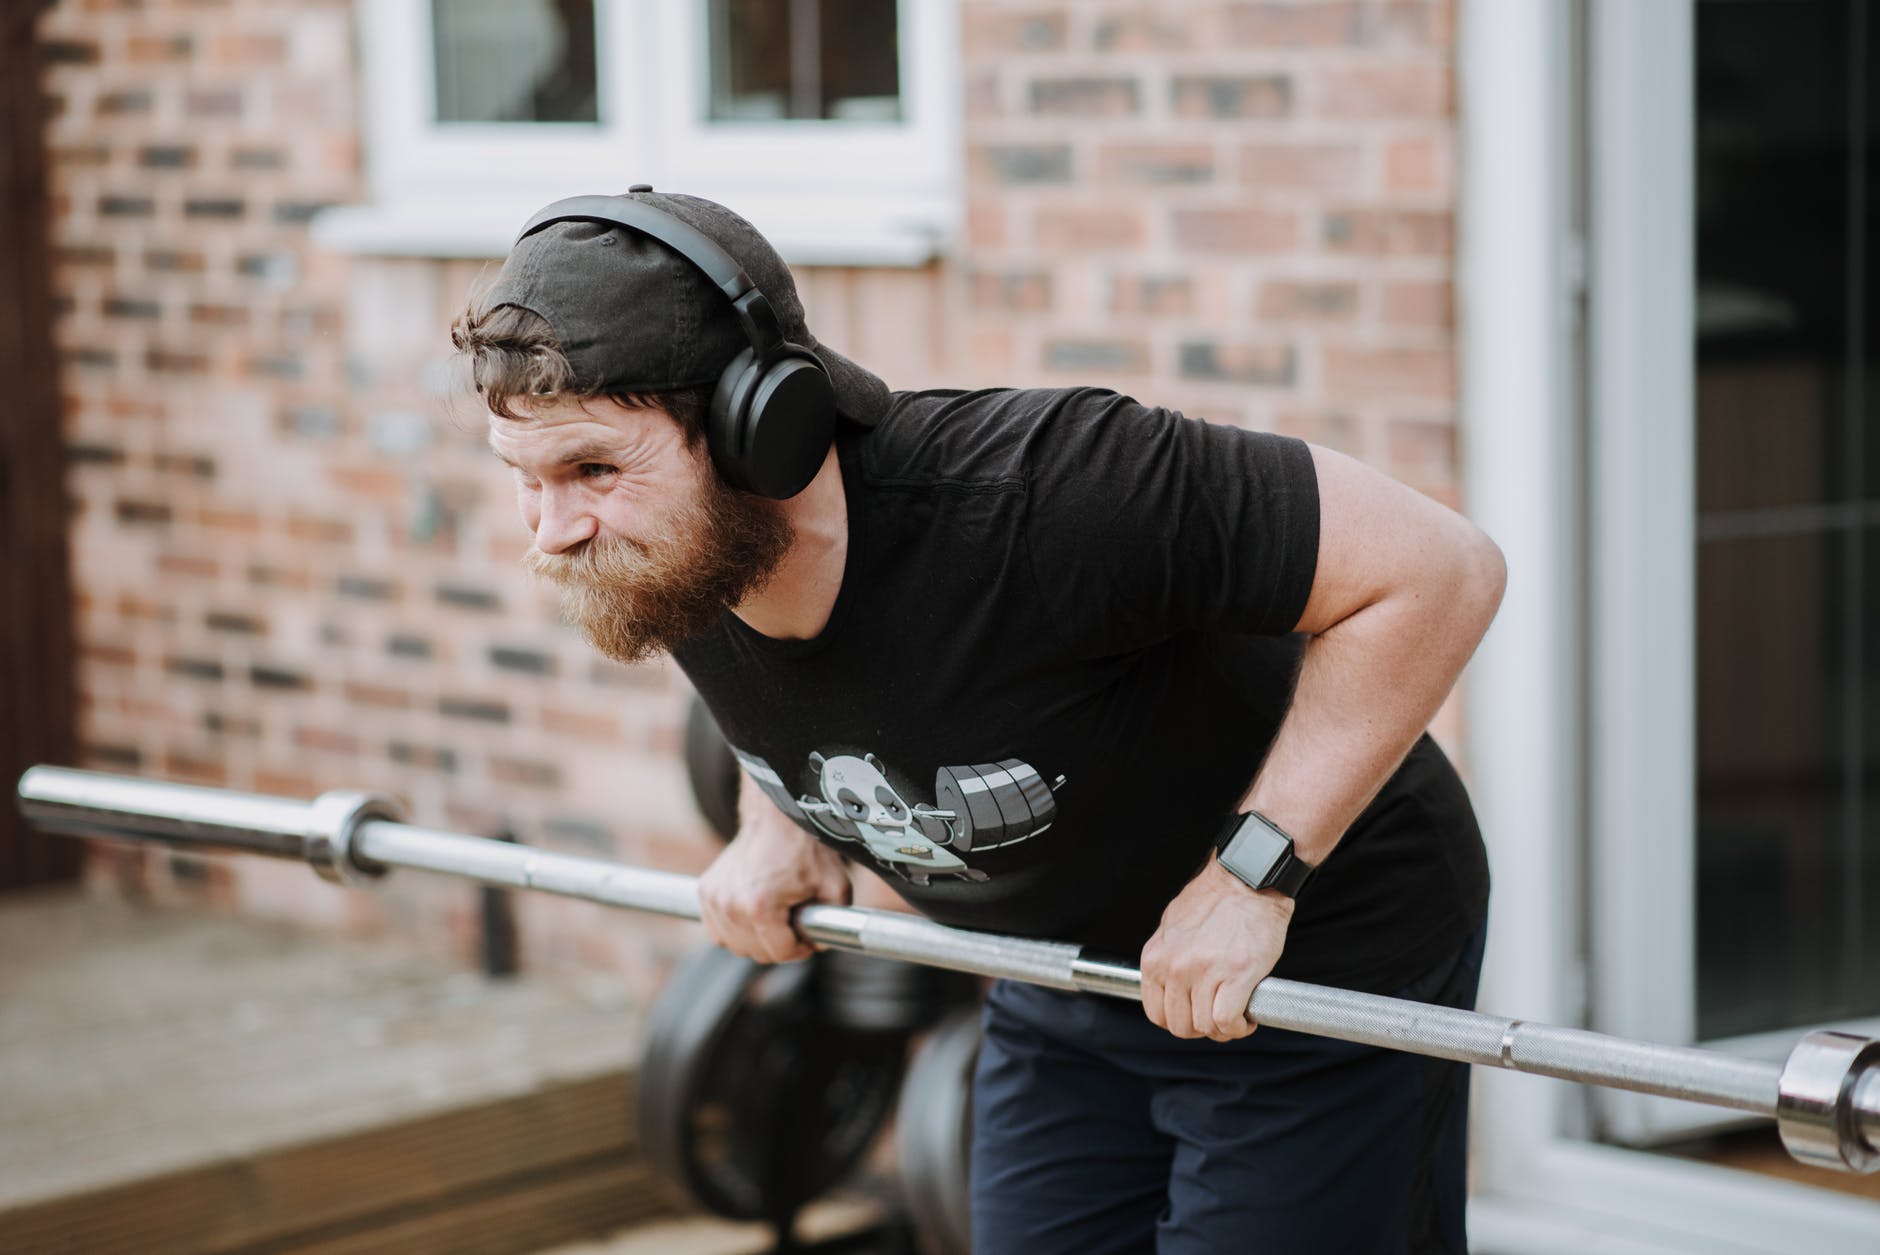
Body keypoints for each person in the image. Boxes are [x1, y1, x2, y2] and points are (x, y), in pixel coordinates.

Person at [452, 187, 1504, 1255]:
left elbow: (1436, 570)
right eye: (523, 480)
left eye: (589, 469)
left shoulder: (1049, 493)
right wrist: (777, 823)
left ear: (761, 433)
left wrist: (1252, 878)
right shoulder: (671, 556)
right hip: (1064, 972)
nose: (552, 530)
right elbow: (798, 689)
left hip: (1308, 957)